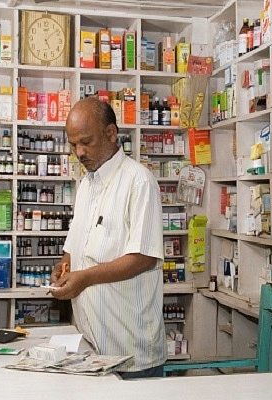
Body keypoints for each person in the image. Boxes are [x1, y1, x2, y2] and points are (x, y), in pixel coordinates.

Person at [50, 96, 166, 379]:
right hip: (92, 350)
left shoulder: (138, 182)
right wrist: (64, 266)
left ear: (111, 133)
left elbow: (143, 257)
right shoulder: (87, 185)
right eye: (73, 144)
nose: (79, 152)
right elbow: (75, 246)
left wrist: (85, 277)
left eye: (86, 142)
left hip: (131, 352)